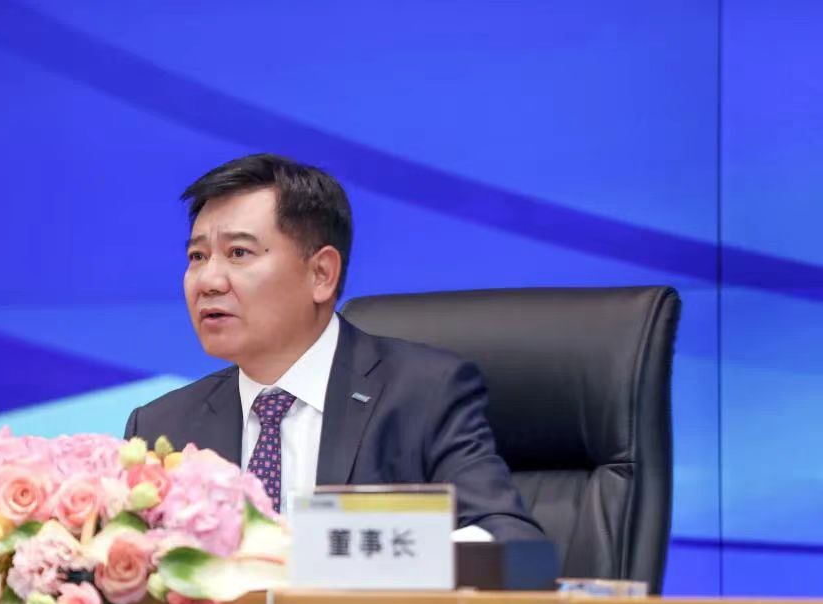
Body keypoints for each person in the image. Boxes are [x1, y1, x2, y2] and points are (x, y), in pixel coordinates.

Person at [124, 153, 545, 541]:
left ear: (321, 274)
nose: (208, 281)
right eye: (197, 257)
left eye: (238, 252)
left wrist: (387, 557)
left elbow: (509, 540)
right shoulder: (162, 426)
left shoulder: (422, 395)